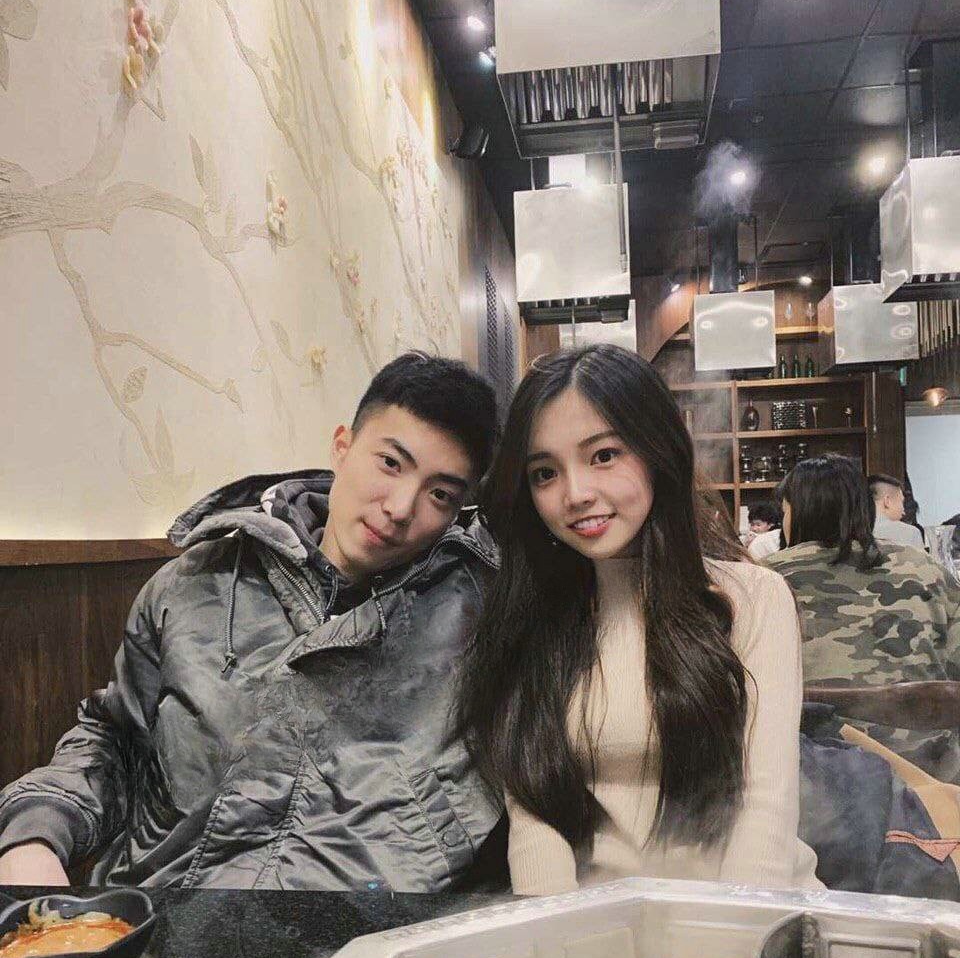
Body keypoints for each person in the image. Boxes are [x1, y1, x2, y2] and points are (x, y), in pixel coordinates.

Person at [0, 353, 504, 890]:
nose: (401, 508)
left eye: (440, 494)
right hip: (169, 911)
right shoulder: (196, 582)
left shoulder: (478, 615)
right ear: (342, 447)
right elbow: (116, 742)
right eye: (390, 463)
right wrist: (34, 833)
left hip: (379, 927)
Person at [456, 345, 820, 895]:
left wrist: (729, 939)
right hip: (602, 923)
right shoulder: (529, 613)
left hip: (749, 913)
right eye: (545, 473)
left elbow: (764, 813)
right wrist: (554, 937)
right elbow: (534, 816)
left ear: (657, 452)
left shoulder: (753, 598)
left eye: (603, 455)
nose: (576, 494)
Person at [766, 455, 960, 780]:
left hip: (807, 786)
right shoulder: (927, 570)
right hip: (930, 780)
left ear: (796, 512)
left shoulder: (763, 580)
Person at [868, 473, 925, 549]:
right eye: (901, 502)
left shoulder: (855, 532)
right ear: (887, 501)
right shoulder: (910, 533)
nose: (903, 511)